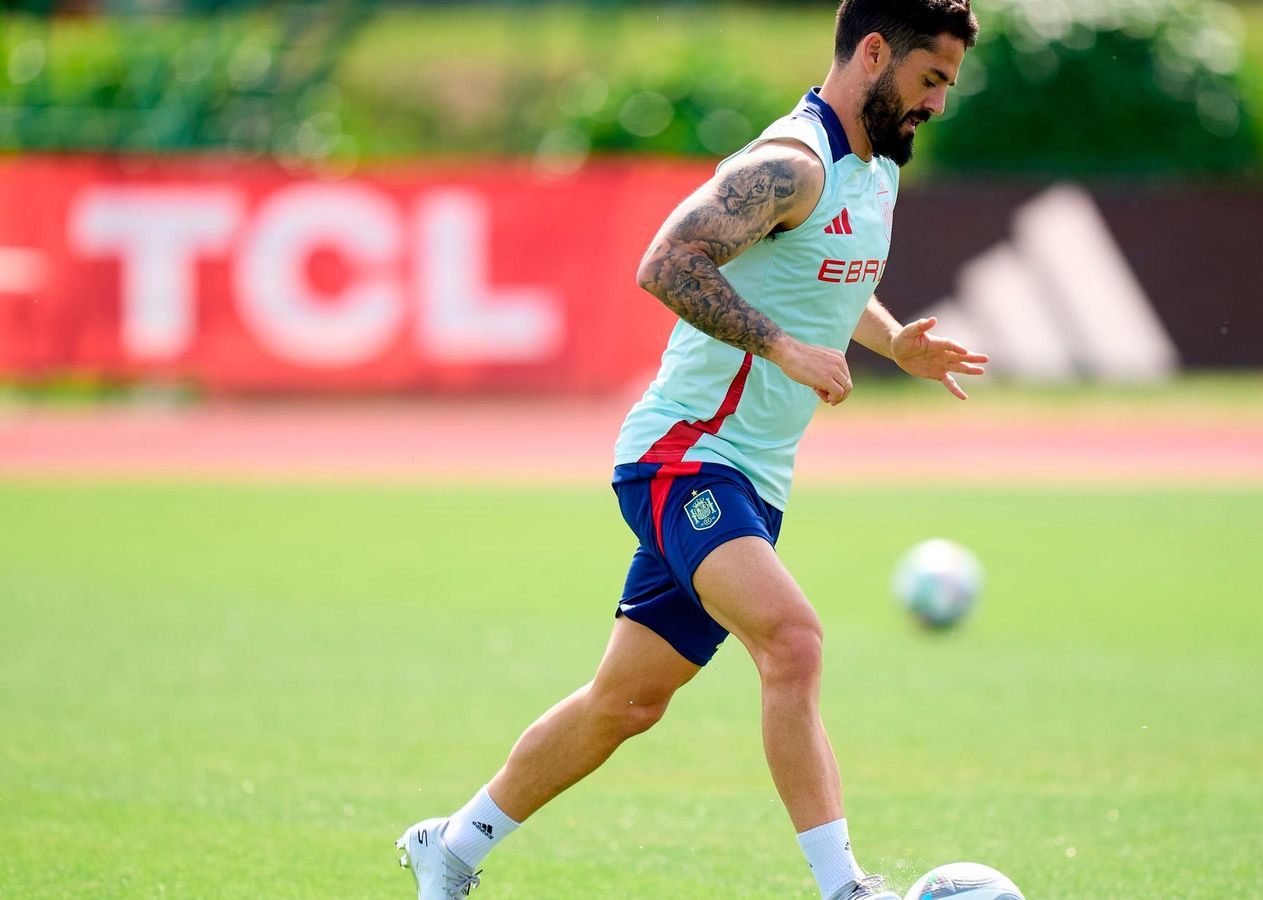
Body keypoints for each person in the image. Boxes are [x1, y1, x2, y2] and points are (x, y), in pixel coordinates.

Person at [397, 2, 982, 897]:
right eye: (930, 79)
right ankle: (845, 888)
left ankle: (454, 845)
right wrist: (782, 348)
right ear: (874, 52)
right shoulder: (790, 163)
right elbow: (667, 262)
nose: (939, 103)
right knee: (794, 642)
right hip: (686, 453)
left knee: (626, 703)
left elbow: (821, 276)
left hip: (751, 474)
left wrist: (895, 341)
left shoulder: (874, 171)